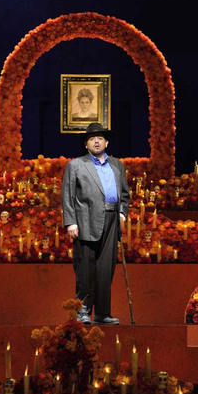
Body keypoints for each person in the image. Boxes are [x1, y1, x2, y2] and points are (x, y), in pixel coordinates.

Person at [61, 122, 130, 325]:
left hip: (111, 221)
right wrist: (71, 222)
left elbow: (124, 194)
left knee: (105, 270)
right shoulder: (76, 165)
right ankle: (82, 310)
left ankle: (102, 313)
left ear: (107, 142)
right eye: (92, 138)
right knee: (85, 269)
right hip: (85, 221)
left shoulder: (117, 165)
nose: (96, 141)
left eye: (100, 138)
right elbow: (68, 195)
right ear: (86, 144)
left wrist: (122, 212)